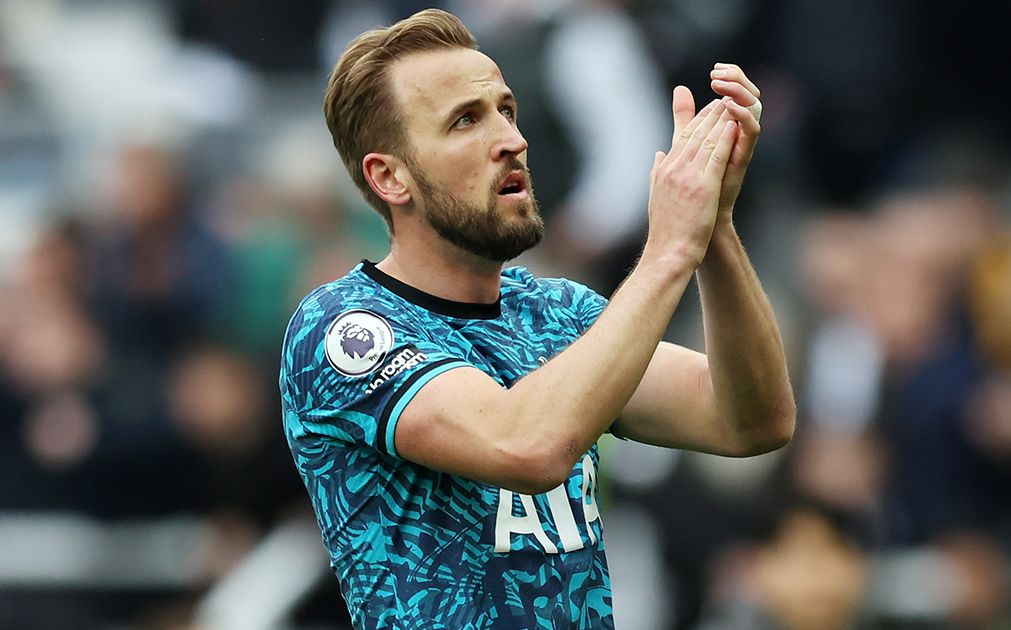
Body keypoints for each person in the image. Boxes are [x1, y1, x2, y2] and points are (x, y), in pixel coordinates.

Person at [279, 8, 794, 629]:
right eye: (466, 121)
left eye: (508, 110)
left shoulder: (560, 312)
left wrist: (714, 233)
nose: (512, 139)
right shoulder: (345, 327)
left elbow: (752, 420)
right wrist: (669, 251)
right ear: (390, 177)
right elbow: (525, 445)